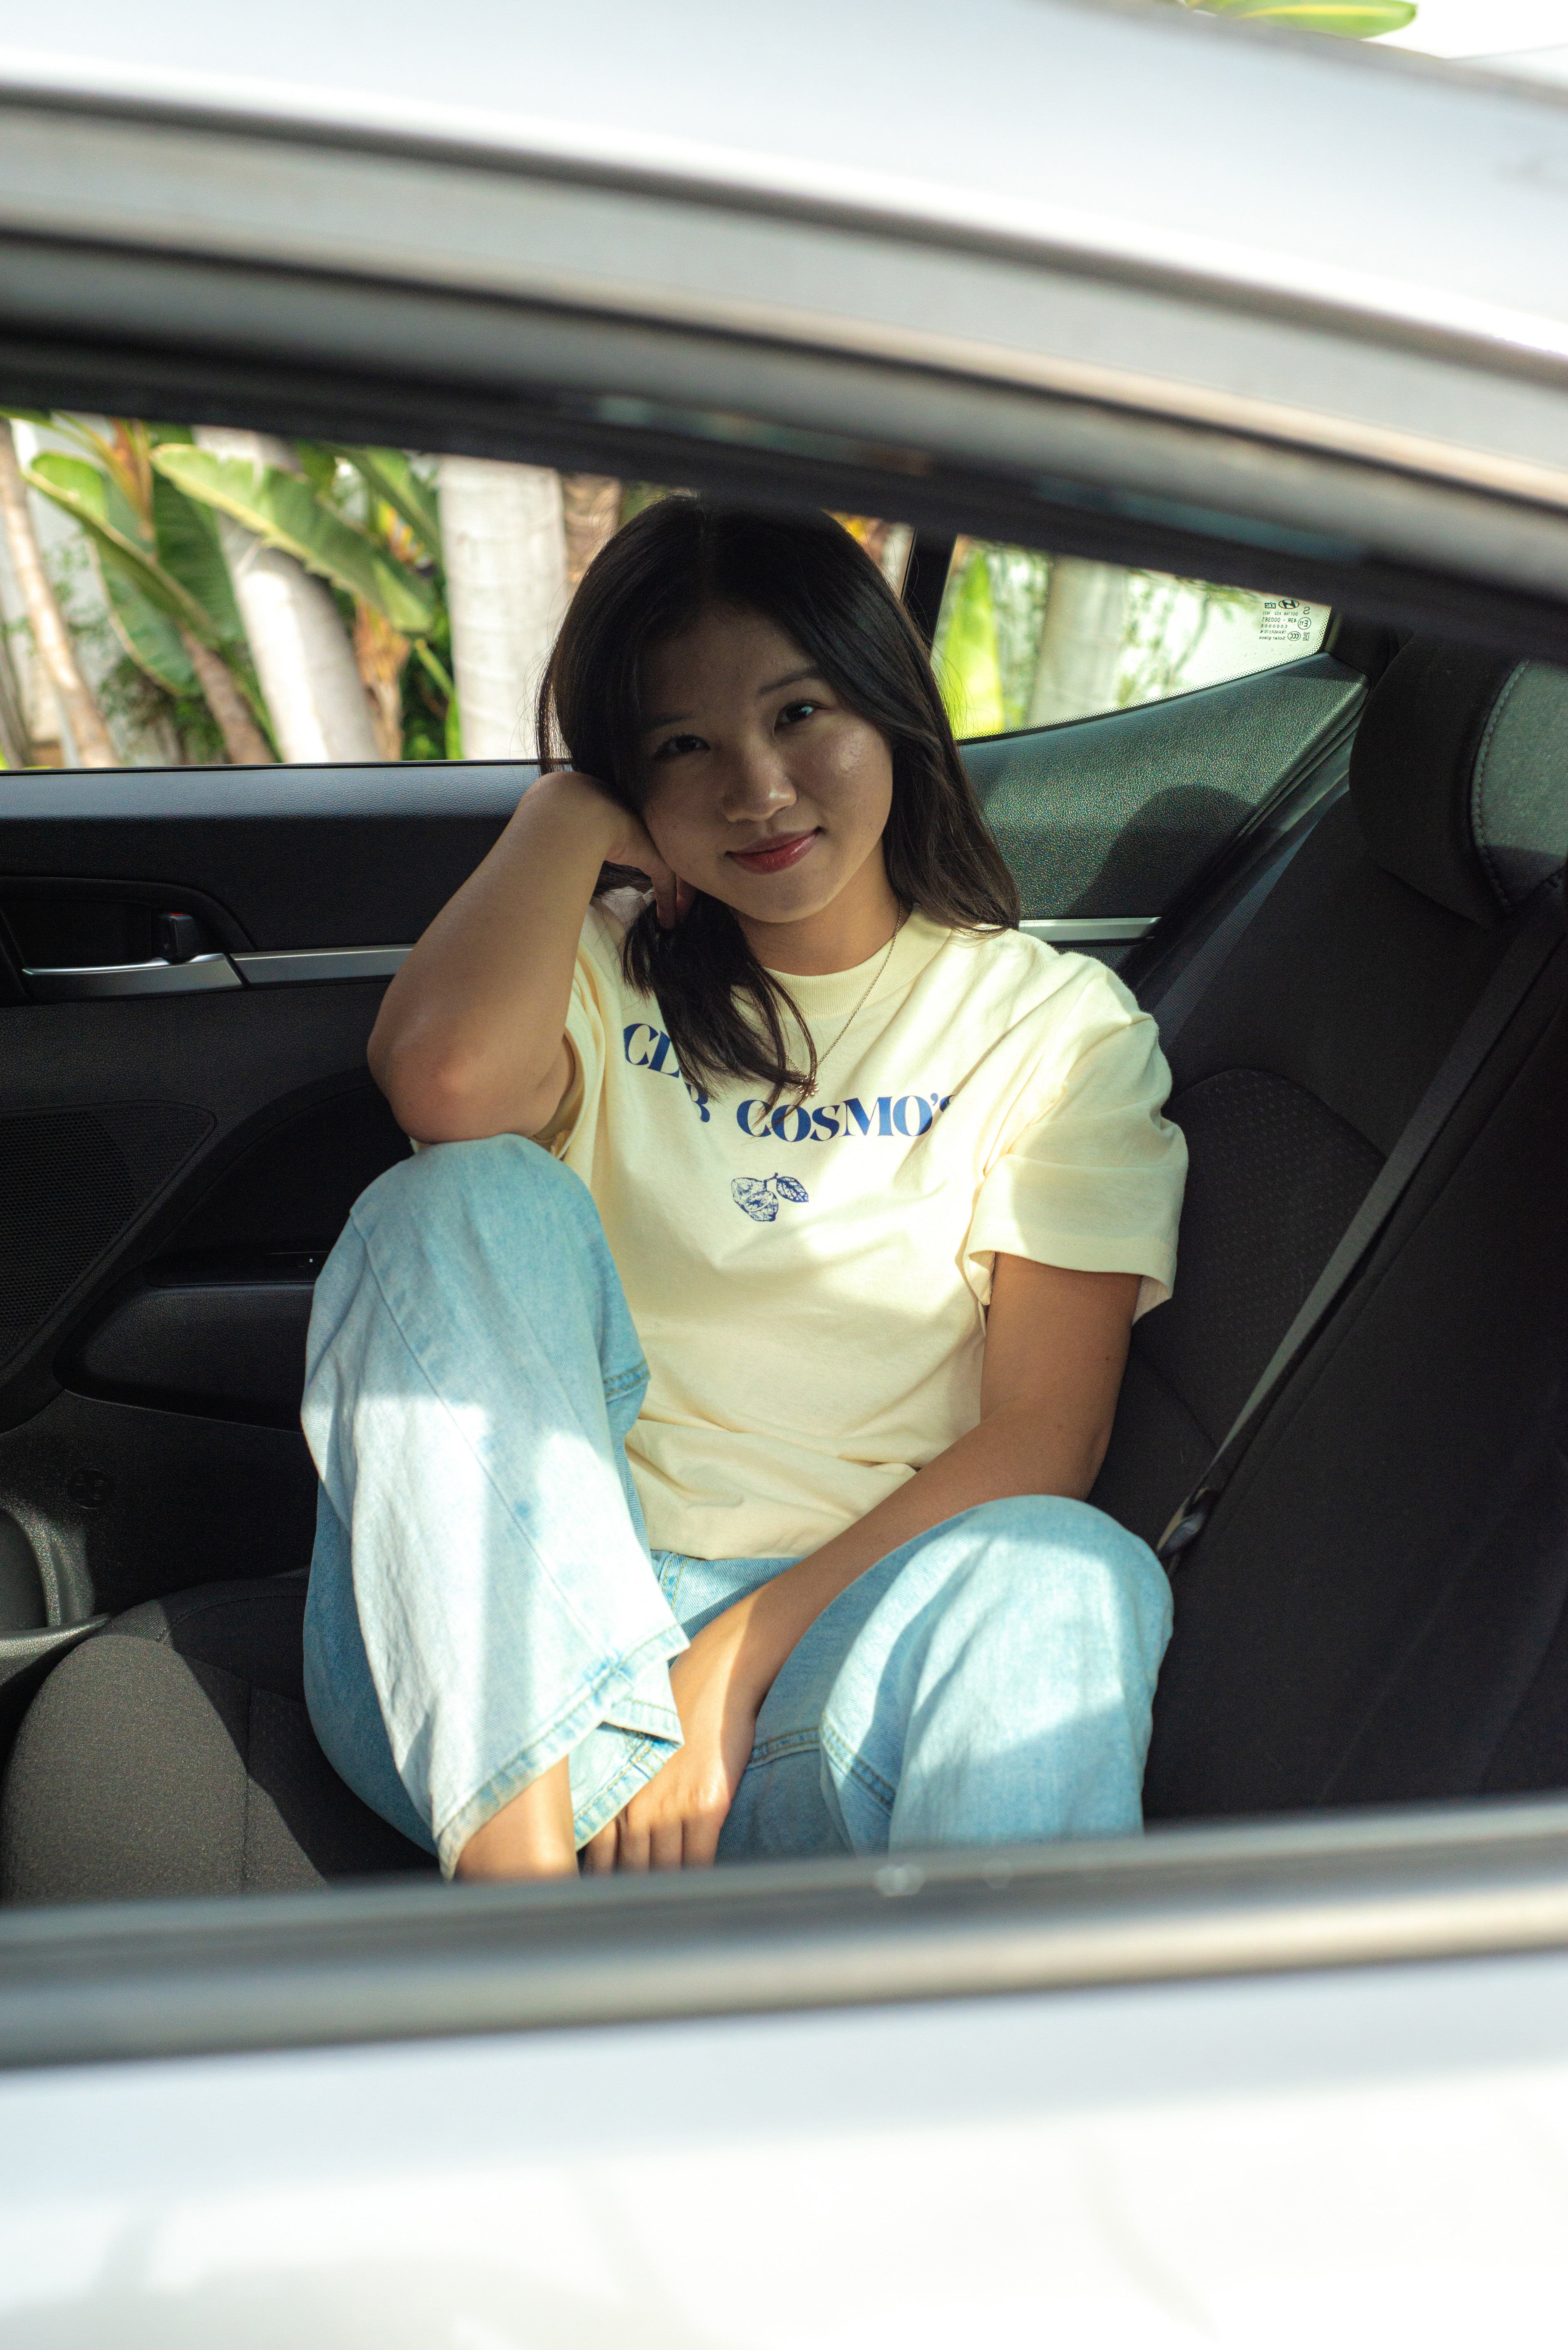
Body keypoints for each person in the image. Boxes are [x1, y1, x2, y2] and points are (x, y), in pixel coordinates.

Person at [300, 501, 1187, 1884]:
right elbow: (444, 1086)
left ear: (890, 707)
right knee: (457, 1202)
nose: (757, 788)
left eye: (799, 714)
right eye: (682, 748)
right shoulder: (593, 965)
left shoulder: (1054, 1030)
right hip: (492, 1684)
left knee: (1069, 1566)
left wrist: (736, 1657)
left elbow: (1040, 1438)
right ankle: (526, 1945)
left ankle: (1013, 2076)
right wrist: (564, 812)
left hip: (806, 1678)